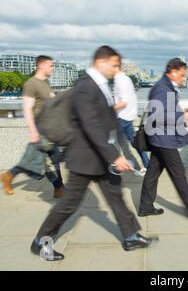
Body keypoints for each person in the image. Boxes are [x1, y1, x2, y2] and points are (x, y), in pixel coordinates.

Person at [30, 46, 157, 261]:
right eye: (114, 64)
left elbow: (105, 120)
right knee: (69, 203)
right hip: (84, 157)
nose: (117, 69)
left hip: (100, 155)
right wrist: (115, 155)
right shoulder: (85, 86)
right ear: (101, 62)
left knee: (115, 197)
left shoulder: (99, 85)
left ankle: (131, 236)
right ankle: (40, 242)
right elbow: (90, 126)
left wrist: (114, 150)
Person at [138, 58, 188, 220]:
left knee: (152, 174)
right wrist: (181, 116)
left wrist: (178, 111)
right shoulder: (162, 89)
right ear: (173, 72)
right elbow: (157, 115)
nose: (183, 78)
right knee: (179, 175)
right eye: (182, 74)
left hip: (160, 138)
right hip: (164, 139)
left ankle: (145, 207)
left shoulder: (165, 86)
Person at [1, 56, 64, 198]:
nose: (52, 68)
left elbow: (52, 101)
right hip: (40, 130)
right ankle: (59, 188)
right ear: (41, 66)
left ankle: (59, 188)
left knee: (47, 158)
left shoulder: (45, 83)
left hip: (48, 129)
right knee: (39, 160)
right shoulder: (31, 84)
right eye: (50, 65)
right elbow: (27, 109)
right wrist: (33, 131)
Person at [113, 65, 150, 176]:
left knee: (110, 142)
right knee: (135, 143)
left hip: (121, 117)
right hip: (127, 117)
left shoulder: (120, 81)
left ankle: (114, 167)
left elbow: (124, 101)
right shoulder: (126, 79)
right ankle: (147, 166)